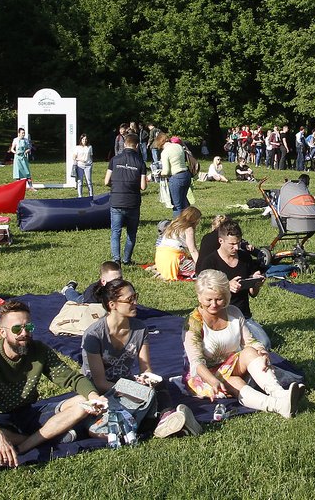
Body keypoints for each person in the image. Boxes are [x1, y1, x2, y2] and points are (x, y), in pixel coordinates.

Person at [0, 300, 108, 468]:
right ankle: (51, 435)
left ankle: (26, 445)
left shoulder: (39, 350)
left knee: (82, 403)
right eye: (17, 329)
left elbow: (72, 378)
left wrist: (95, 397)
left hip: (29, 414)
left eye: (29, 328)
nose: (24, 333)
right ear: (2, 332)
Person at [79, 278, 200, 438]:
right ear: (112, 304)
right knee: (145, 397)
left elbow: (146, 369)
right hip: (101, 392)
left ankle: (165, 418)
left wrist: (146, 380)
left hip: (127, 384)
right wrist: (136, 390)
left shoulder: (139, 329)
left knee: (158, 384)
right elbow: (100, 383)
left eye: (135, 296)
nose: (135, 302)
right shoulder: (94, 335)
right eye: (130, 300)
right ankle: (165, 419)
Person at [182, 269, 303, 418]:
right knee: (234, 381)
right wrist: (212, 380)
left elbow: (250, 341)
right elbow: (196, 363)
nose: (214, 304)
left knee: (250, 352)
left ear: (226, 296)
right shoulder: (193, 322)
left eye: (219, 299)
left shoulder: (234, 312)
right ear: (199, 297)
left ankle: (280, 394)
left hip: (231, 364)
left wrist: (262, 352)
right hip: (206, 374)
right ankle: (277, 406)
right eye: (209, 300)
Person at [195, 220, 271, 347]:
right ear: (221, 241)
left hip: (242, 316)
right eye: (232, 244)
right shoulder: (210, 262)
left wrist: (255, 283)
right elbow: (203, 294)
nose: (236, 247)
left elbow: (253, 294)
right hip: (218, 316)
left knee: (264, 344)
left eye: (238, 243)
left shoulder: (245, 258)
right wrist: (226, 286)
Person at [101, 132, 147, 265]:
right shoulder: (140, 162)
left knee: (116, 232)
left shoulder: (114, 160)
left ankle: (116, 259)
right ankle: (127, 259)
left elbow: (106, 181)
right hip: (132, 202)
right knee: (131, 233)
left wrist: (114, 184)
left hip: (116, 201)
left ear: (124, 144)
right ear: (137, 145)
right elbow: (143, 186)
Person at [154, 206, 201, 281]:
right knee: (197, 267)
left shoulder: (173, 224)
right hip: (173, 260)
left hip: (160, 258)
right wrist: (201, 265)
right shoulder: (188, 229)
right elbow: (193, 250)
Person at [159, 134, 192, 217]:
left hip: (176, 178)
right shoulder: (178, 146)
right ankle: (190, 222)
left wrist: (159, 173)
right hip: (186, 175)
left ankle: (177, 227)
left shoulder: (165, 152)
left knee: (177, 206)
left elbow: (166, 171)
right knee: (184, 201)